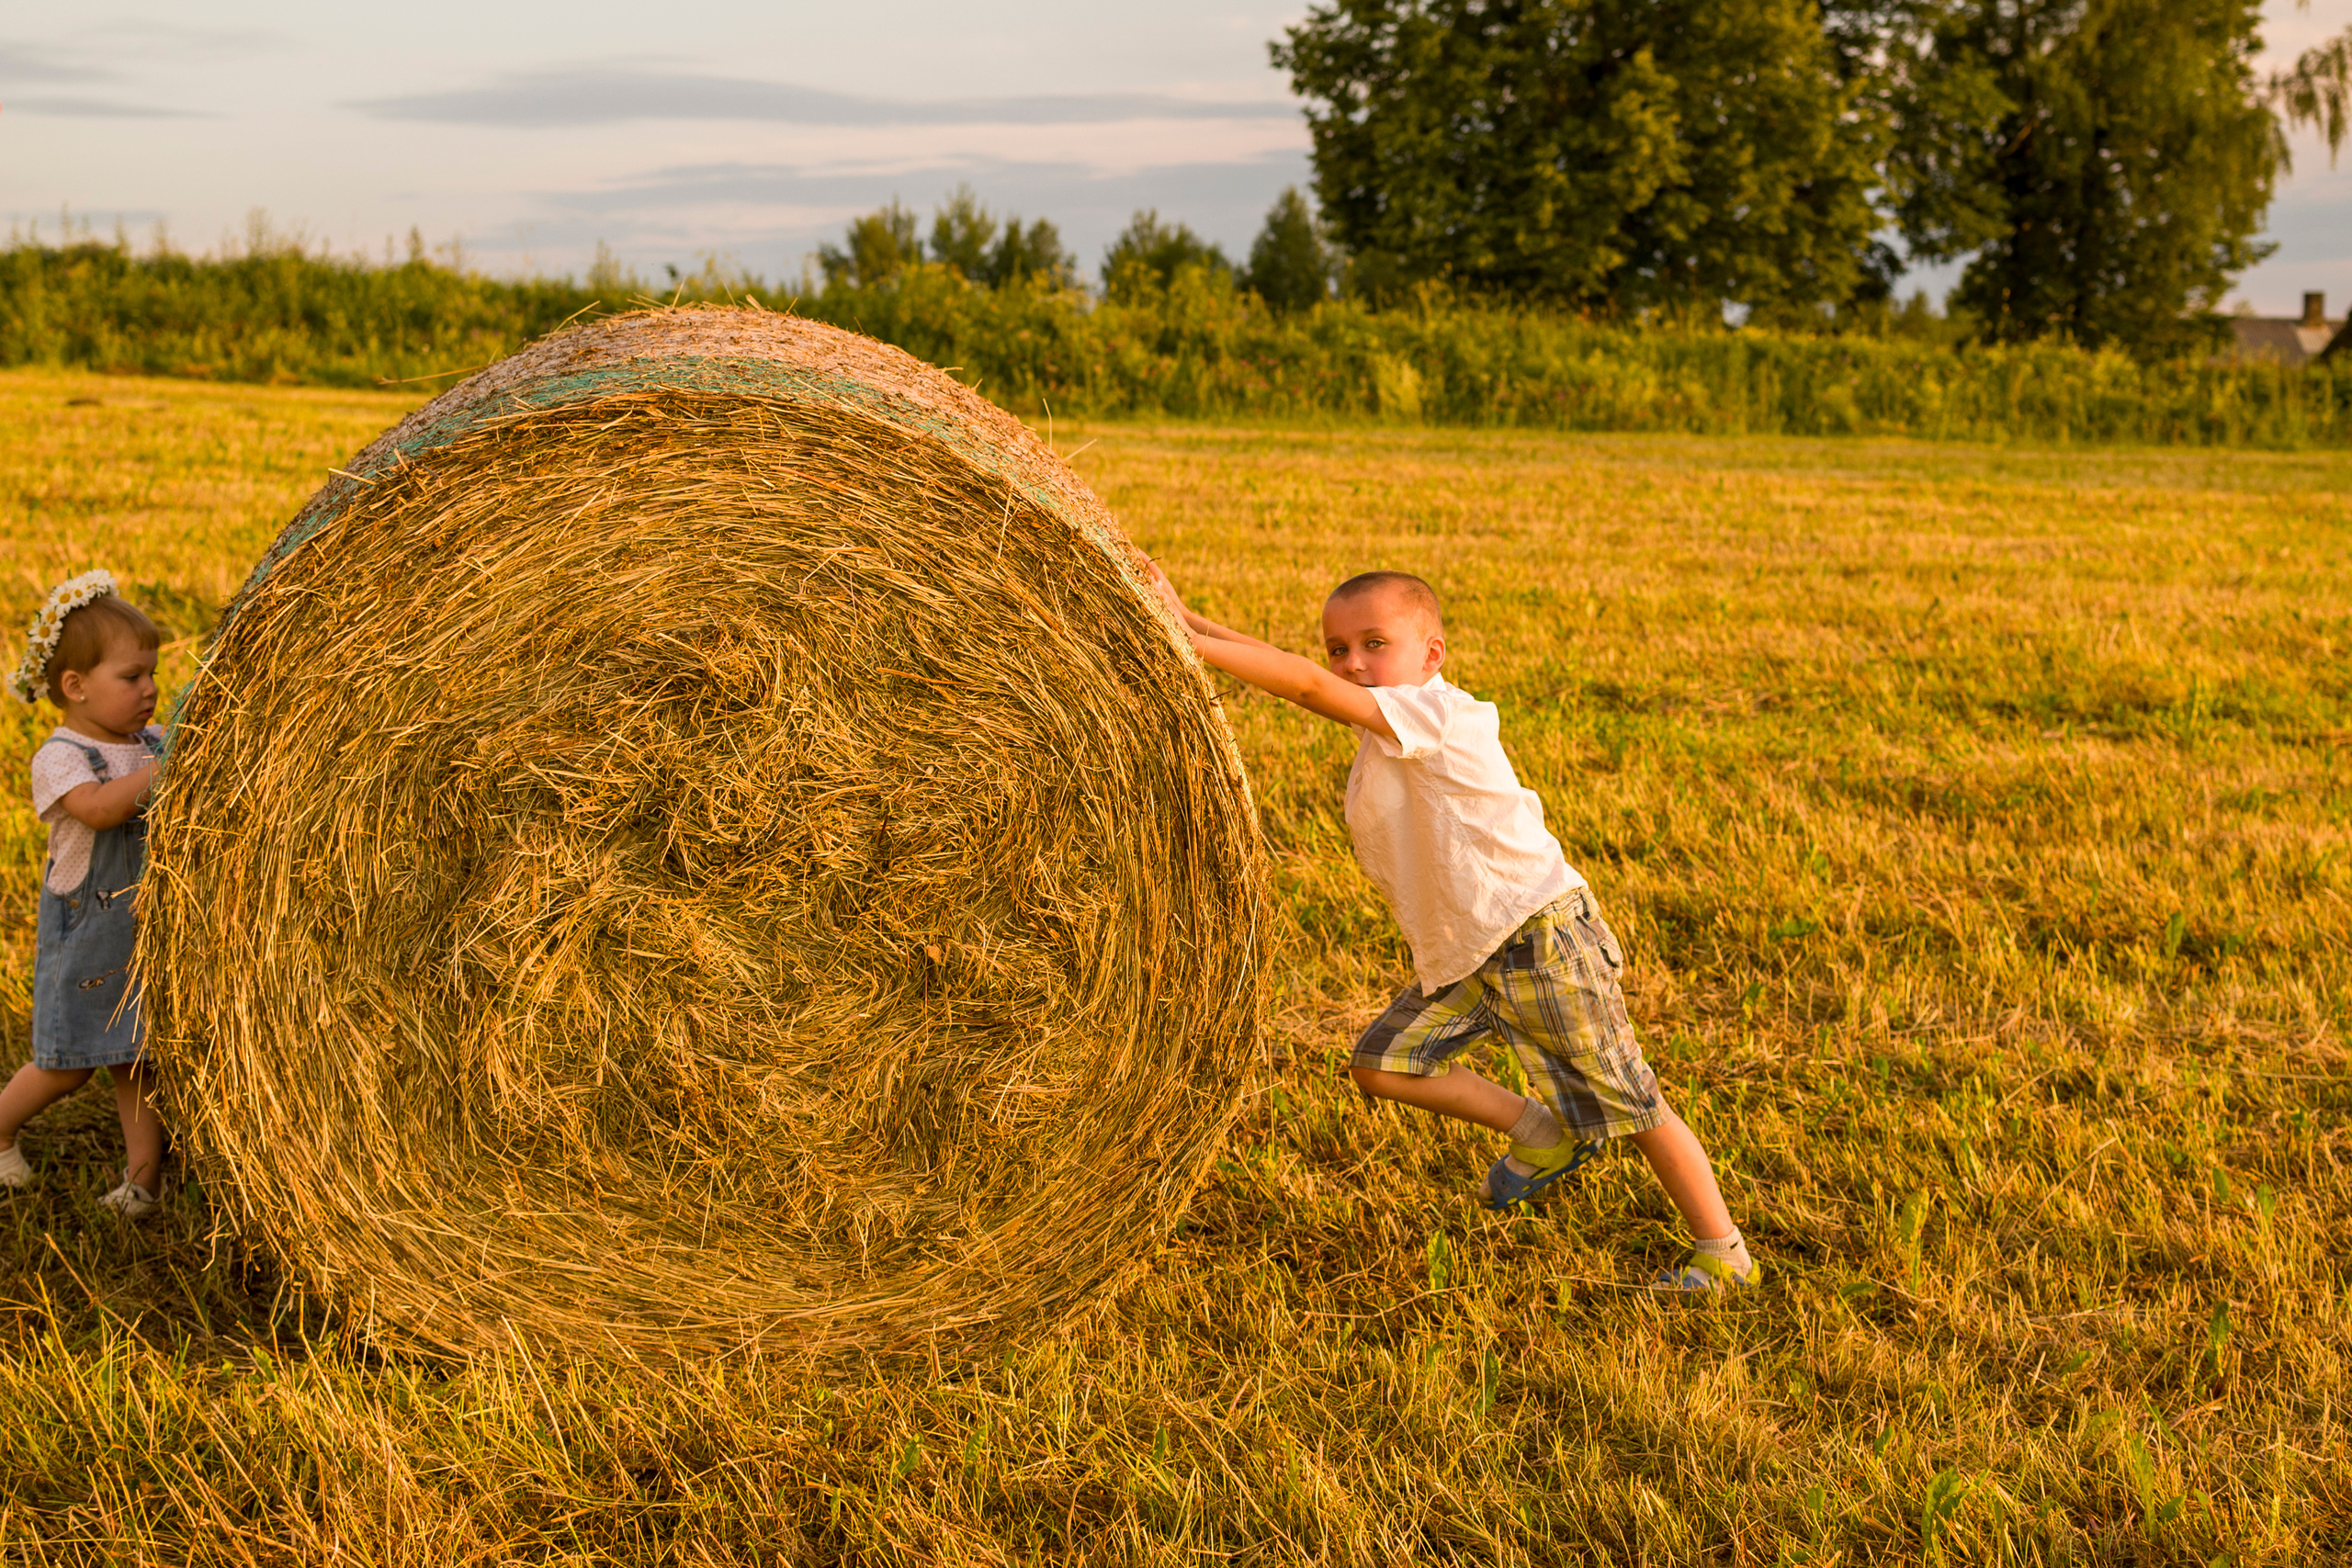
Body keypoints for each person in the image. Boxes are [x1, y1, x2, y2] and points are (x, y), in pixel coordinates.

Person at [1149, 565, 1758, 1292]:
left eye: (1375, 642)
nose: (1353, 664)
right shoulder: (1386, 717)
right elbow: (1309, 675)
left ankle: (1723, 1250)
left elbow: (1305, 683)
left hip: (1538, 940)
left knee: (1632, 1101)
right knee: (1383, 1063)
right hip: (1469, 954)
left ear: (1432, 653)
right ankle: (1543, 1132)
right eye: (1341, 648)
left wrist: (1187, 643)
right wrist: (1190, 619)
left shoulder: (1437, 716)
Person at [0, 571, 167, 1217]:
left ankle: (141, 1183)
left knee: (139, 1060)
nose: (150, 689)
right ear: (75, 686)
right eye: (132, 677)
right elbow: (98, 811)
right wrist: (164, 769)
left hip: (142, 934)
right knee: (67, 1063)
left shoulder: (147, 743)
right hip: (87, 943)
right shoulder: (63, 755)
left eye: (152, 674)